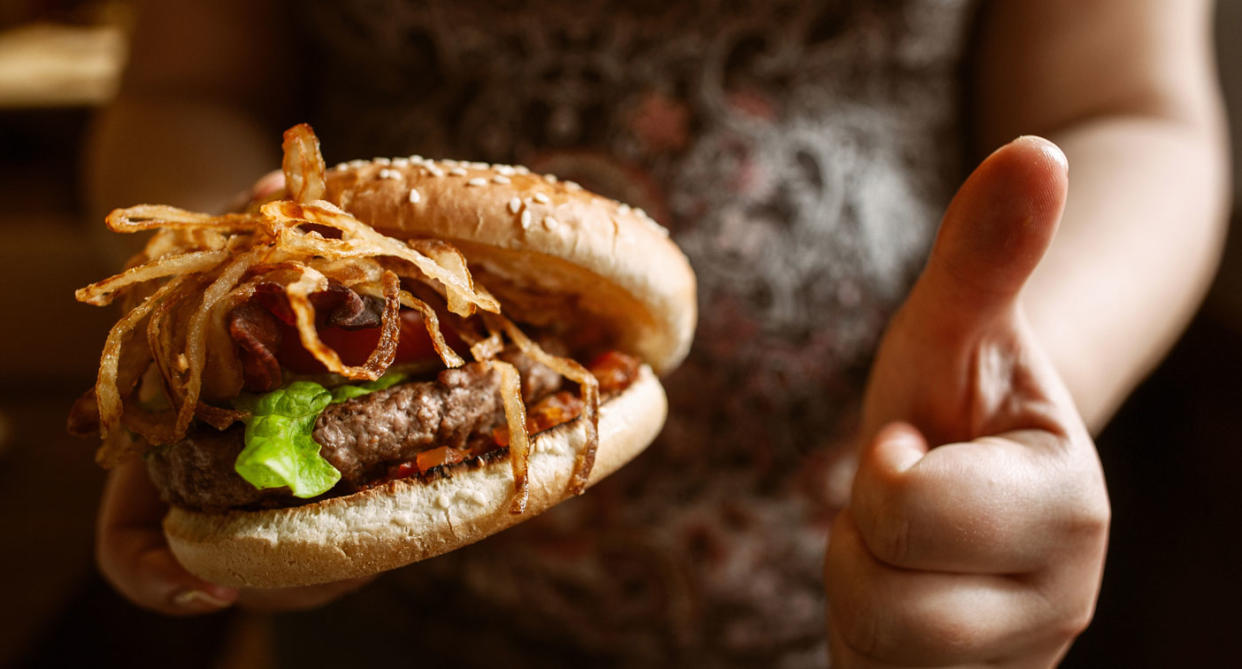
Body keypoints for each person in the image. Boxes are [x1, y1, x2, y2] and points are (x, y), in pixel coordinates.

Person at [85, 1, 1229, 666]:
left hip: (857, 587)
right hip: (392, 630)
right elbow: (188, 83)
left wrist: (1029, 373)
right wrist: (219, 319)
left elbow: (1127, 105)